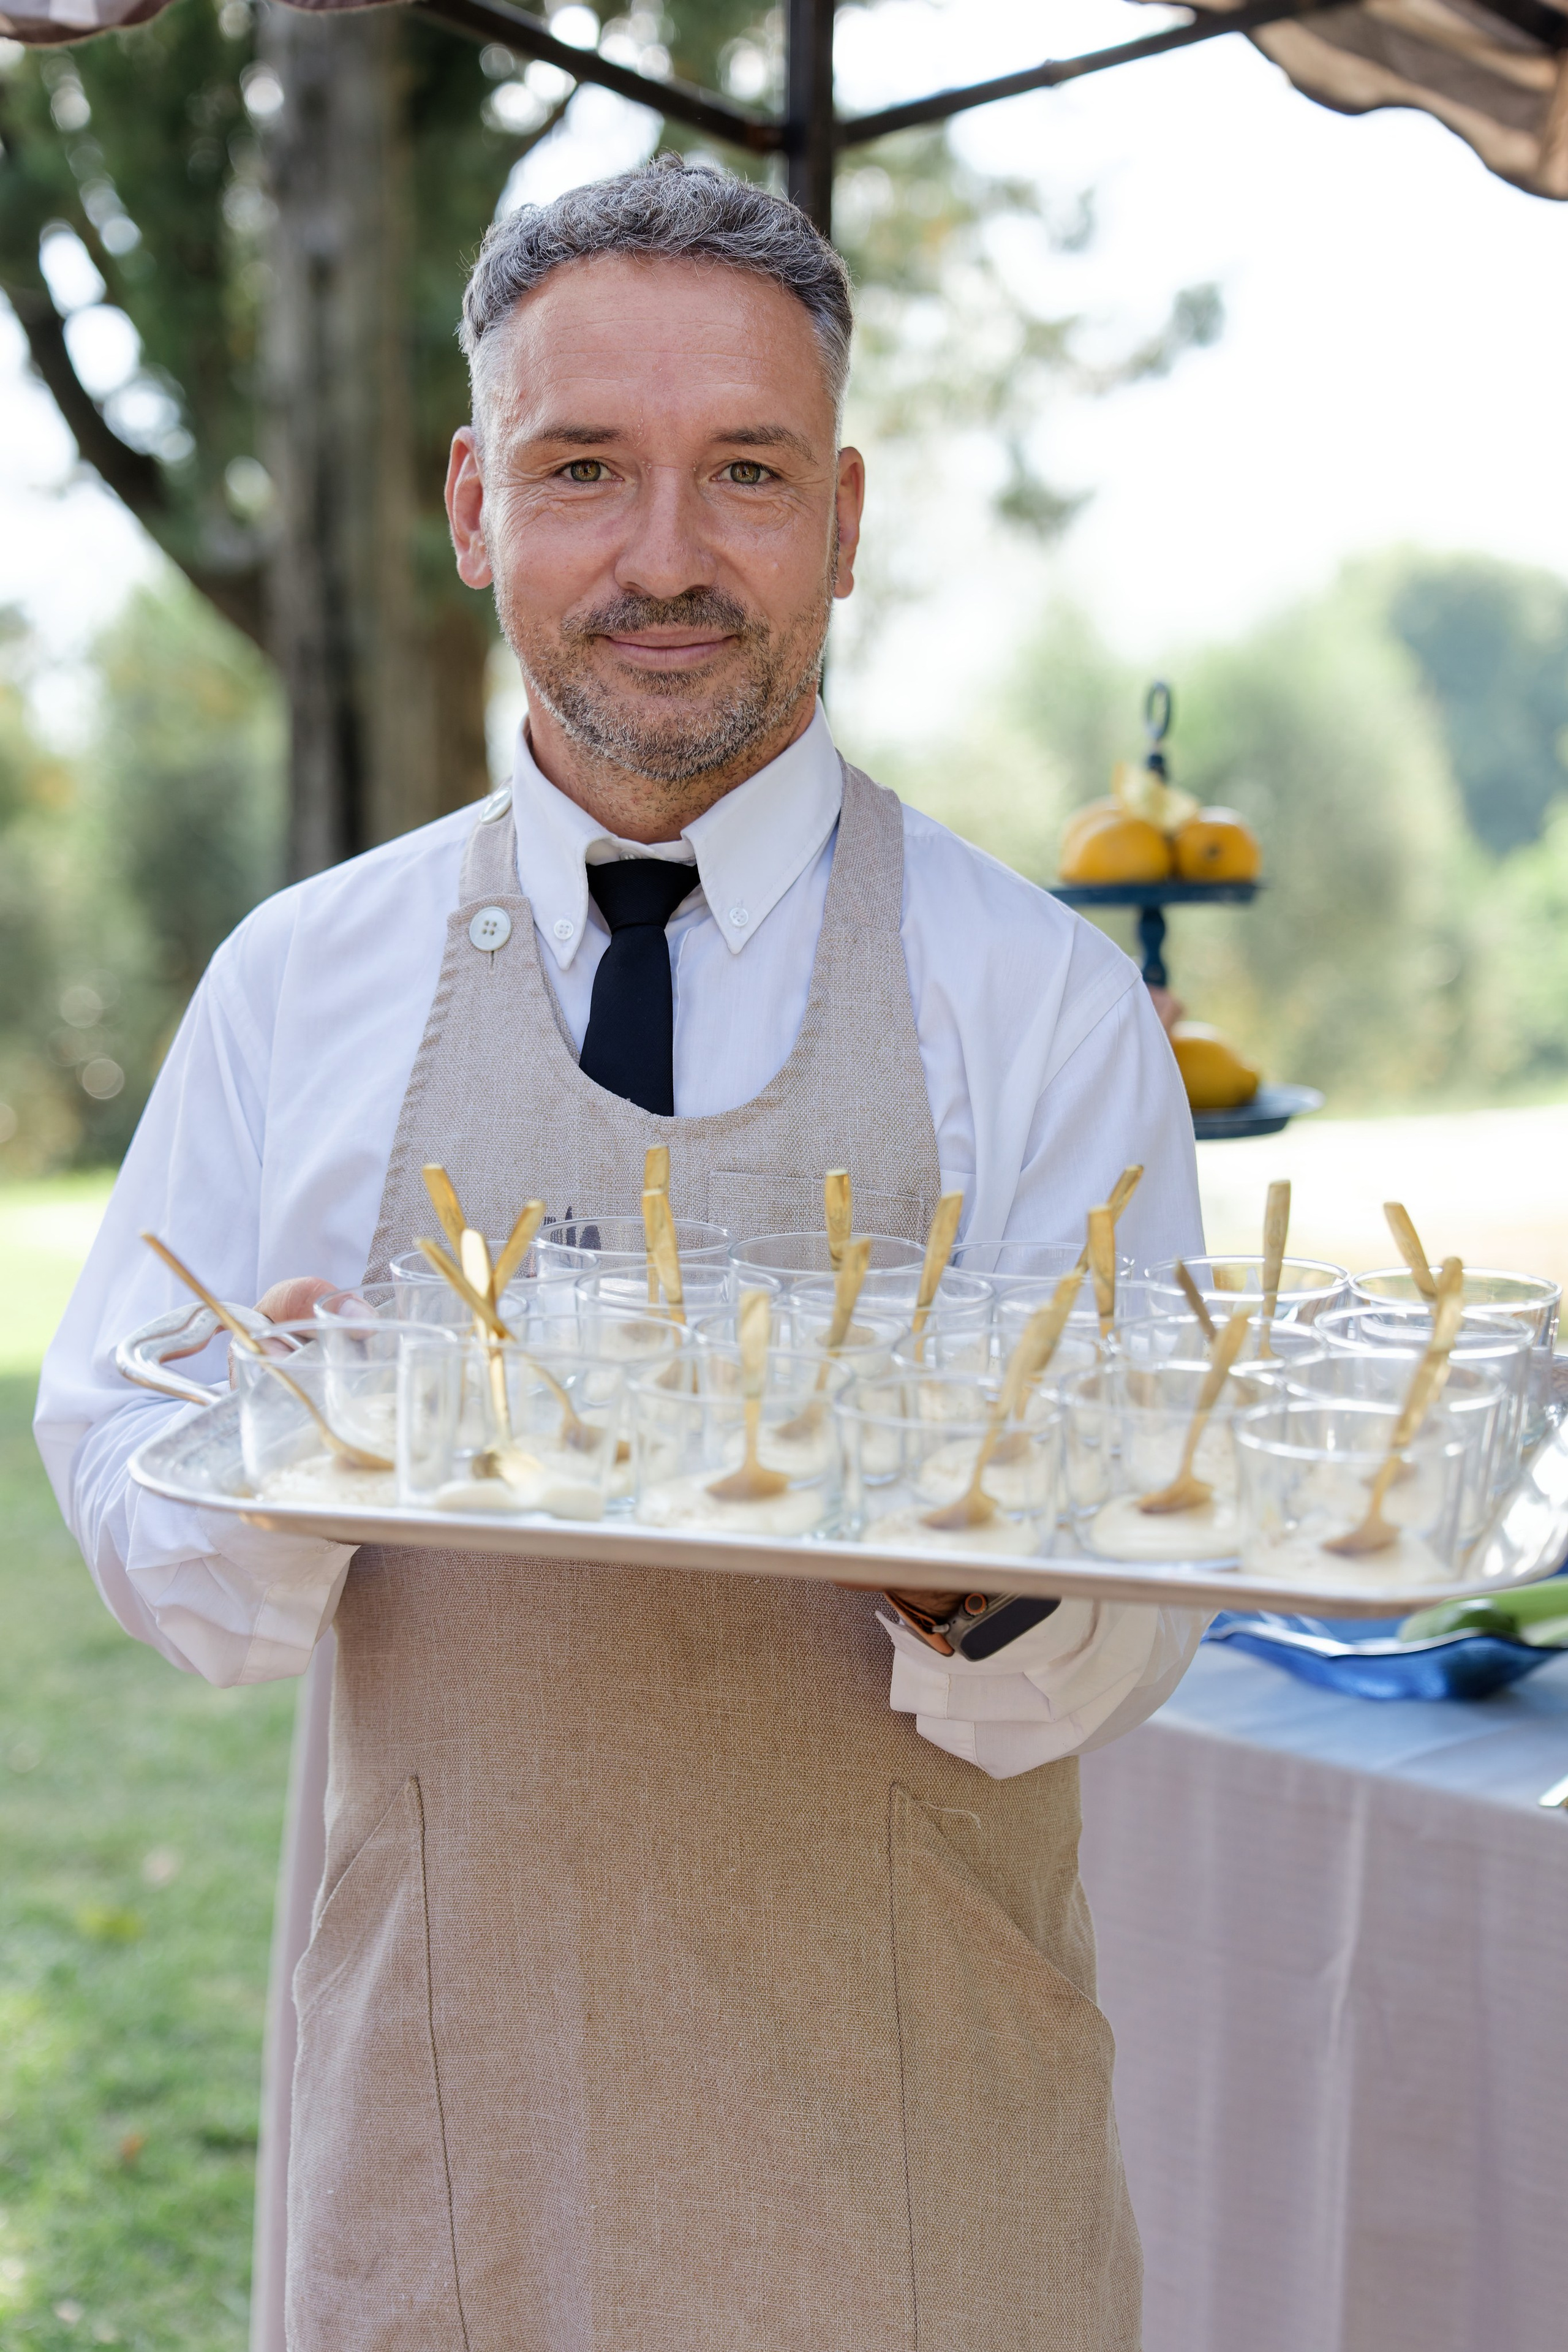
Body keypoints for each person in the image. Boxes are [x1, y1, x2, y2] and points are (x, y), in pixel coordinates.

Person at [37, 156, 1207, 2350]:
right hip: (442, 2138)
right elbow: (136, 1503)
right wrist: (256, 1475)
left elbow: (1140, 1618)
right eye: (589, 471)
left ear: (842, 522)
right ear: (478, 509)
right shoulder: (302, 982)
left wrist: (1003, 1567)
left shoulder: (1033, 998)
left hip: (914, 2156)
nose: (666, 558)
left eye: (744, 473)